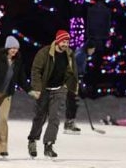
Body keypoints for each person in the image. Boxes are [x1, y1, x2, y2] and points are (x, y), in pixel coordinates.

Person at [0, 35, 38, 160]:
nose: (14, 50)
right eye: (12, 48)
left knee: (4, 119)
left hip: (7, 94)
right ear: (7, 48)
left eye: (16, 48)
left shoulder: (18, 62)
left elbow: (21, 78)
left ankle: (1, 149)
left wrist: (30, 90)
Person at [27, 29, 78, 158]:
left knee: (54, 118)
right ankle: (32, 140)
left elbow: (72, 71)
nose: (66, 44)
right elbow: (36, 71)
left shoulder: (69, 54)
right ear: (58, 41)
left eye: (67, 41)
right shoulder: (44, 53)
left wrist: (72, 85)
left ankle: (48, 145)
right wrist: (37, 88)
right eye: (64, 41)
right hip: (44, 89)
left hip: (59, 89)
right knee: (40, 117)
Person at [64, 39, 96, 133]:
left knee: (72, 101)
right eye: (93, 49)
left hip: (74, 80)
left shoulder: (82, 53)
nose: (93, 51)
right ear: (89, 48)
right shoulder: (81, 54)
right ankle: (69, 123)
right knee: (72, 102)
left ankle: (69, 122)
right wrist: (78, 76)